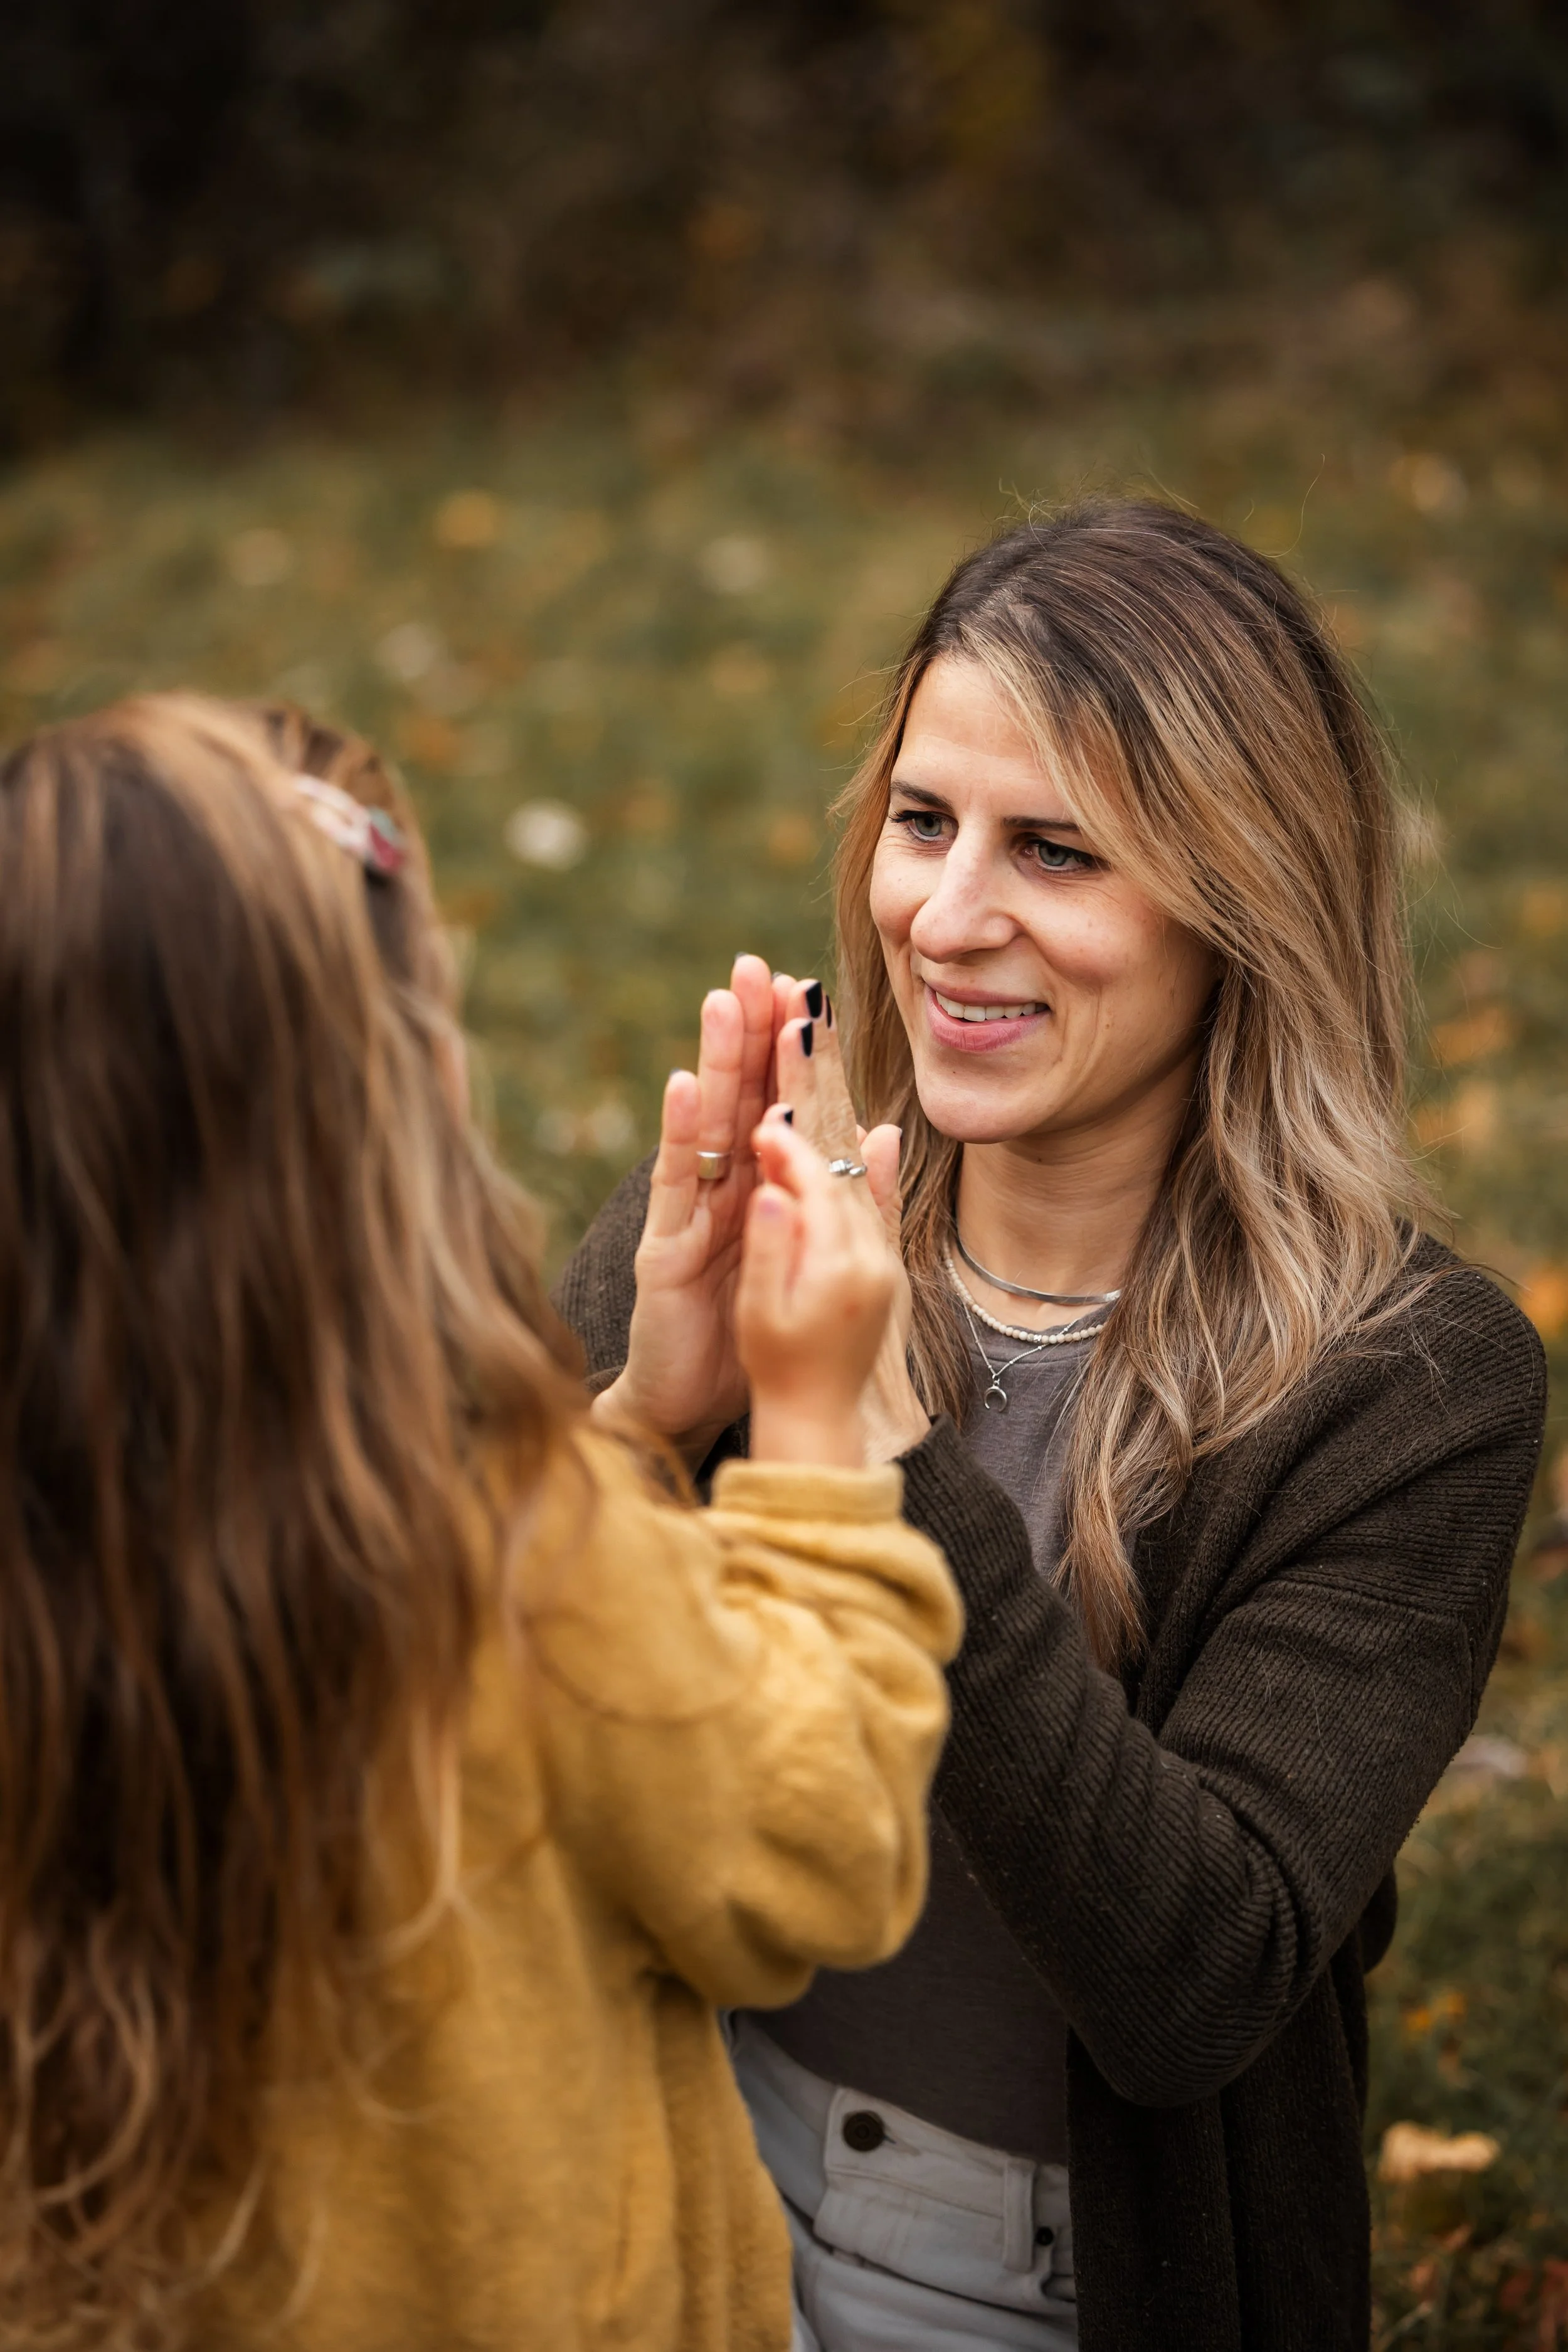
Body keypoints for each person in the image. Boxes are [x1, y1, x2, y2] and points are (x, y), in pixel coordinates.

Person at [556, 500, 1548, 2352]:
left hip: (1047, 2271)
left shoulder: (1403, 1382)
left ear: (1241, 902)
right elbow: (428, 1727)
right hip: (656, 2158)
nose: (943, 917)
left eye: (1058, 852)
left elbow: (1193, 1979)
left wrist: (895, 1458)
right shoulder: (763, 1174)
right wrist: (636, 1418)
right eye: (924, 822)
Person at [0, 692, 963, 2352]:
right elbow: (806, 1852)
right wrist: (808, 1437)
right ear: (396, 1099)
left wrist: (645, 1423)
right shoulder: (525, 1553)